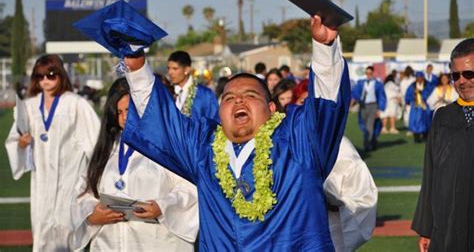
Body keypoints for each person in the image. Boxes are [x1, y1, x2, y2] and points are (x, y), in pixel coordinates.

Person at [122, 15, 351, 250]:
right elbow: (162, 122)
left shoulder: (298, 142)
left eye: (250, 96)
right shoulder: (203, 149)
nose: (239, 100)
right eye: (229, 98)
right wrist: (137, 66)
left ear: (271, 109)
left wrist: (324, 48)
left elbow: (326, 108)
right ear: (220, 112)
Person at [71, 78, 198, 251]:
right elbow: (84, 192)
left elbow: (191, 189)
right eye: (118, 112)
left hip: (156, 241)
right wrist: (91, 215)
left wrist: (163, 206)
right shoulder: (107, 149)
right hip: (109, 242)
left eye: (129, 110)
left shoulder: (167, 147)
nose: (124, 118)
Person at [4, 54, 100, 251]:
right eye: (40, 76)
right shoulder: (29, 106)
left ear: (60, 75)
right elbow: (15, 140)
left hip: (70, 179)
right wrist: (22, 144)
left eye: (50, 75)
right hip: (42, 182)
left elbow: (95, 141)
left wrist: (97, 177)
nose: (45, 80)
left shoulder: (76, 104)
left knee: (69, 231)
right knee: (43, 231)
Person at [291, 85, 377, 252]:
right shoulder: (283, 142)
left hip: (328, 228)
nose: (309, 110)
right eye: (303, 102)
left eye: (314, 104)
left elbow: (363, 195)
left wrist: (330, 196)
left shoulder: (340, 145)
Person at [412, 38, 474, 252]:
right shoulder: (443, 117)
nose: (462, 81)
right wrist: (426, 228)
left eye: (469, 73)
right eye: (455, 76)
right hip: (447, 227)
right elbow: (430, 175)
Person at [167, 50, 219, 120]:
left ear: (187, 70)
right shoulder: (167, 92)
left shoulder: (205, 94)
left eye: (175, 69)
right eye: (168, 68)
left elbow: (214, 120)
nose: (170, 72)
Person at [351, 66, 387, 152]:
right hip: (363, 106)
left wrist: (380, 108)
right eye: (367, 73)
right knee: (363, 125)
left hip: (373, 106)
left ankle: (367, 145)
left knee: (369, 126)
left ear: (373, 73)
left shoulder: (378, 84)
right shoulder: (361, 83)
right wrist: (355, 100)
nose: (368, 75)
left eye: (370, 73)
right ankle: (373, 141)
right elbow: (355, 92)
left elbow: (381, 96)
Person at [405, 72, 435, 143]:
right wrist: (413, 96)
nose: (419, 79)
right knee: (415, 121)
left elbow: (431, 93)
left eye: (420, 77)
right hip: (415, 107)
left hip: (425, 106)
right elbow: (408, 95)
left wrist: (422, 94)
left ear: (423, 77)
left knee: (426, 121)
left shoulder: (428, 85)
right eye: (417, 78)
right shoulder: (412, 86)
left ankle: (426, 137)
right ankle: (416, 138)